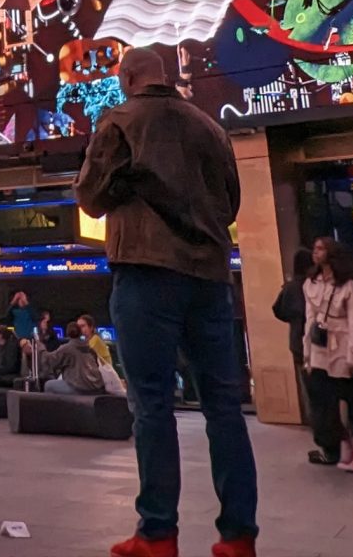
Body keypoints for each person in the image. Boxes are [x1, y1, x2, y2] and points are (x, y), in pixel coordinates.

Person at [74, 44, 257, 557]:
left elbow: (89, 196)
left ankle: (157, 534)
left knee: (152, 405)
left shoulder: (120, 121)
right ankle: (239, 536)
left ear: (129, 77)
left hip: (147, 271)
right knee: (224, 407)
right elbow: (230, 203)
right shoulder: (210, 127)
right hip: (210, 277)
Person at [300, 236, 353, 474]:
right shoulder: (310, 284)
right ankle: (343, 444)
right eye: (315, 248)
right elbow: (309, 319)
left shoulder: (348, 286)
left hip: (342, 346)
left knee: (351, 401)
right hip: (320, 346)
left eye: (320, 249)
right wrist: (307, 352)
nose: (315, 252)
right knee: (323, 400)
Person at [271, 247, 312, 417]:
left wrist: (292, 319)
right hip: (315, 339)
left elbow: (277, 309)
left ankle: (312, 419)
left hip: (296, 340)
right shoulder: (311, 285)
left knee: (306, 384)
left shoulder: (290, 287)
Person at [44, 317, 110, 396]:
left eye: (83, 326)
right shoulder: (88, 346)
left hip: (82, 388)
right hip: (96, 387)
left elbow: (50, 361)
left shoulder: (69, 347)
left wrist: (40, 348)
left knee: (48, 385)